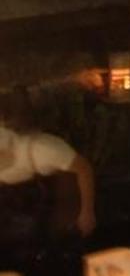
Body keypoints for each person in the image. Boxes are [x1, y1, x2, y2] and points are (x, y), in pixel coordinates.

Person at [0, 94, 94, 245]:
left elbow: (84, 169)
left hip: (53, 205)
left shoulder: (43, 149)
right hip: (15, 212)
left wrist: (86, 213)